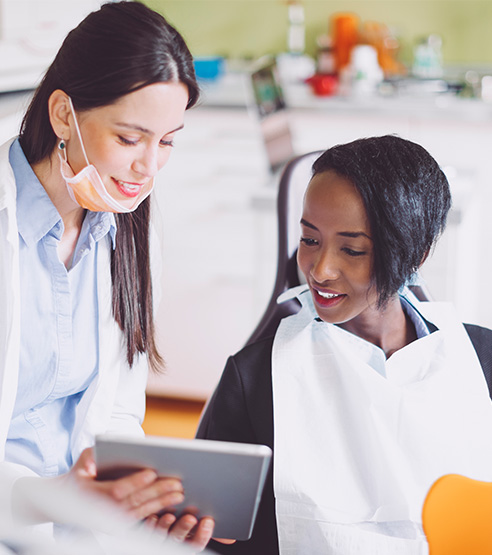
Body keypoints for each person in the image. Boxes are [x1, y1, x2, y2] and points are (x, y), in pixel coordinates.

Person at [198, 135, 492, 554]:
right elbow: (215, 535)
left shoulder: (480, 362)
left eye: (352, 249)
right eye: (310, 240)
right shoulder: (257, 378)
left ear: (416, 254)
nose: (320, 270)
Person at [0, 1, 214, 550]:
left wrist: (140, 504)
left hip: (83, 524)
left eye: (166, 141)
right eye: (129, 138)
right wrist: (54, 499)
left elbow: (118, 408)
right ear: (63, 115)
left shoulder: (130, 235)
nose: (148, 168)